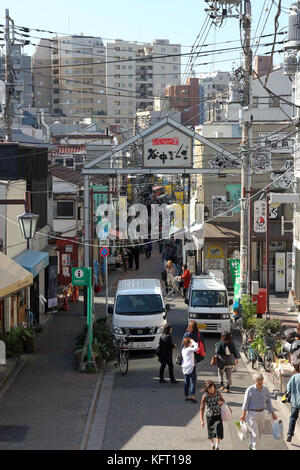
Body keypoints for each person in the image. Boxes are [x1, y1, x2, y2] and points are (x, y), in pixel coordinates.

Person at [240, 372, 278, 450]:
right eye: (258, 380)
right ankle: (254, 447)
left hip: (261, 414)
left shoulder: (266, 390)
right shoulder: (250, 390)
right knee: (255, 434)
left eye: (261, 379)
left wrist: (273, 413)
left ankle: (252, 445)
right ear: (255, 381)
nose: (260, 381)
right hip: (251, 414)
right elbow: (245, 403)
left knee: (259, 434)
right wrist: (243, 415)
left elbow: (269, 402)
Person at [200, 380, 225, 450]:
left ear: (214, 386)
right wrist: (201, 420)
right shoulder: (205, 396)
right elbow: (202, 408)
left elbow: (223, 400)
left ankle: (217, 446)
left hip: (218, 414)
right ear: (206, 389)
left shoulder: (218, 393)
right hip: (210, 416)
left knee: (218, 431)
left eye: (212, 387)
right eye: (209, 388)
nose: (211, 389)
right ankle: (212, 444)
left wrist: (221, 402)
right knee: (211, 434)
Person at [286, 359, 300, 442]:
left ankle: (289, 434)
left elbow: (288, 387)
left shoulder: (295, 377)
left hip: (295, 401)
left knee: (293, 418)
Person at [181, 337, 198, 402]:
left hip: (185, 367)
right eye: (190, 342)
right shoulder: (189, 349)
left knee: (186, 382)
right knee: (193, 382)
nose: (191, 343)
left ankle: (187, 396)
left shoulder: (183, 349)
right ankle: (192, 396)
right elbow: (196, 348)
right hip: (191, 367)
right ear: (188, 343)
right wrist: (193, 341)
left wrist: (191, 341)